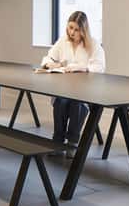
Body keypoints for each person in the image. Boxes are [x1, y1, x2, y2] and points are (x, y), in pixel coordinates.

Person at [40, 11, 105, 153]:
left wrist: (81, 68)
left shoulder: (94, 44)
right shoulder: (63, 41)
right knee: (60, 101)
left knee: (77, 103)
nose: (72, 32)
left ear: (83, 30)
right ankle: (58, 140)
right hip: (64, 89)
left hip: (85, 91)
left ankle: (72, 142)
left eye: (76, 29)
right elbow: (48, 57)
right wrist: (50, 64)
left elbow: (99, 67)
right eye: (70, 28)